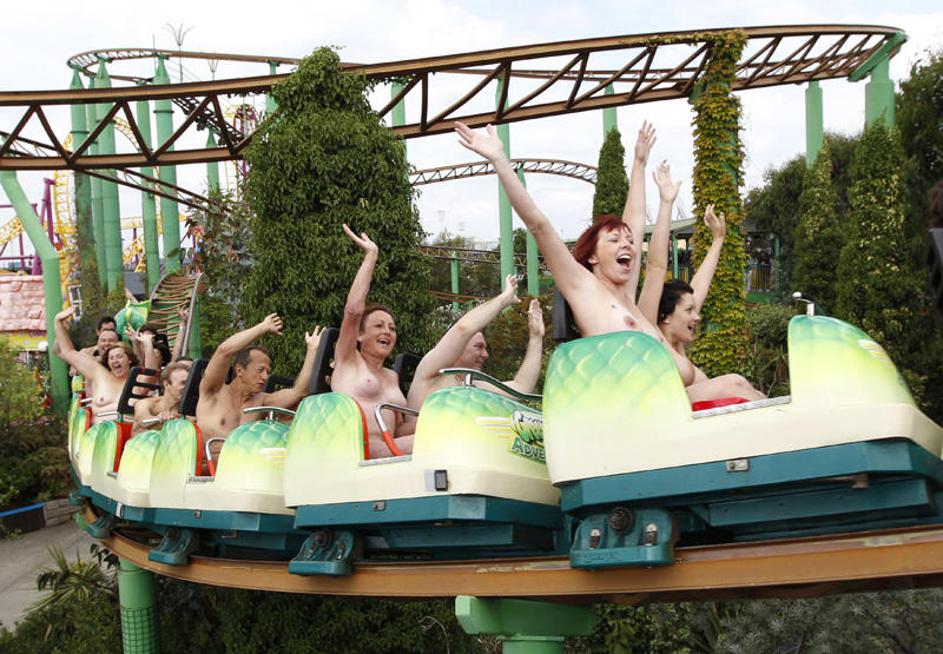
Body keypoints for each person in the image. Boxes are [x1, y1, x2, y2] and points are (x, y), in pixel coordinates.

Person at [456, 121, 759, 405]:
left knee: (738, 384)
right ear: (592, 257)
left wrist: (639, 164)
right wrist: (500, 161)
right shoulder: (585, 289)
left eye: (628, 241)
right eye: (614, 240)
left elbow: (637, 225)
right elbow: (538, 224)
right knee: (734, 385)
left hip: (665, 408)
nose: (626, 244)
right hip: (632, 411)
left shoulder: (629, 302)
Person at [639, 162, 765, 402]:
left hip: (707, 420)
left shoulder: (677, 347)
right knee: (734, 383)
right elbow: (655, 266)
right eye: (689, 311)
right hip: (671, 417)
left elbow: (698, 287)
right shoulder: (652, 336)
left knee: (741, 384)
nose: (697, 317)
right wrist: (666, 203)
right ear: (665, 316)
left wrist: (718, 240)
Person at [330, 225, 413, 459]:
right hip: (360, 451)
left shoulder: (391, 376)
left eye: (392, 328)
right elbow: (353, 311)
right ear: (359, 335)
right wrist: (371, 257)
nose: (387, 331)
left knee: (450, 433)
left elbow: (398, 430)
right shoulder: (348, 360)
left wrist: (438, 419)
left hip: (390, 450)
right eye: (378, 326)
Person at [407, 274, 544, 410]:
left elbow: (521, 387)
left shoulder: (471, 385)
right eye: (478, 347)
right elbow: (463, 329)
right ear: (458, 347)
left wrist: (536, 338)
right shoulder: (431, 371)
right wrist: (504, 298)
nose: (485, 354)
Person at [195, 314, 322, 446]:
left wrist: (312, 350)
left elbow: (299, 392)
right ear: (239, 370)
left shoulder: (261, 402)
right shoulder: (213, 391)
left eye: (267, 372)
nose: (265, 377)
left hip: (246, 458)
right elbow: (223, 351)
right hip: (208, 458)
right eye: (260, 370)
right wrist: (263, 327)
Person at [54, 307, 137, 423]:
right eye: (103, 340)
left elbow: (146, 365)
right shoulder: (95, 366)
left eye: (111, 341)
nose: (107, 344)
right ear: (98, 341)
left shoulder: (134, 373)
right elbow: (65, 352)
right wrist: (59, 325)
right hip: (99, 424)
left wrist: (138, 342)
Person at [131, 360, 192, 435]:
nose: (188, 387)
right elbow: (142, 421)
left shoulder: (188, 410)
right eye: (183, 383)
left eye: (189, 384)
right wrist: (158, 419)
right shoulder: (145, 403)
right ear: (166, 384)